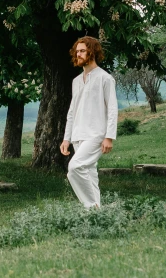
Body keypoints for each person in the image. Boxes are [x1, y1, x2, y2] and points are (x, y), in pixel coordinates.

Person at [60, 36, 118, 208]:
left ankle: (90, 206)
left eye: (82, 50)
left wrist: (109, 137)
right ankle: (96, 213)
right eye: (77, 51)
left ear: (93, 52)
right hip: (78, 135)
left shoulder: (105, 78)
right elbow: (72, 112)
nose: (78, 54)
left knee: (74, 168)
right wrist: (66, 139)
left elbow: (113, 109)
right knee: (89, 172)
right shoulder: (76, 81)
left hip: (96, 134)